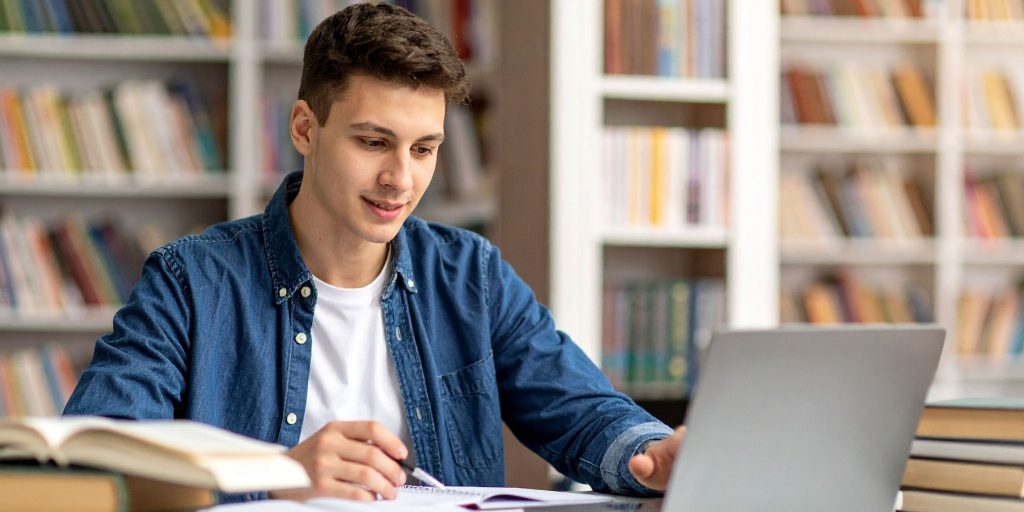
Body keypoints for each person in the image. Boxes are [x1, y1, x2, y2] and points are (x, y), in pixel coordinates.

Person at [63, 2, 683, 504]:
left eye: (423, 149)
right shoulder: (190, 279)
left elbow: (580, 410)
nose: (400, 179)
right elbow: (101, 463)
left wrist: (654, 456)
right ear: (305, 128)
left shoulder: (472, 276)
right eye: (373, 142)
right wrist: (276, 476)